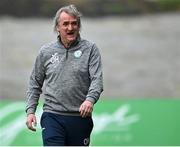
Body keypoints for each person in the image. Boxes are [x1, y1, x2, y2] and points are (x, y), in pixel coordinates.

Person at [25, 4, 103, 146]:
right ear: (57, 27)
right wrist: (31, 111)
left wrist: (90, 100)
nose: (70, 28)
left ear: (79, 26)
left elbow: (97, 80)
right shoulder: (46, 52)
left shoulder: (90, 49)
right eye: (65, 24)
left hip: (80, 117)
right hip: (52, 116)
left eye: (74, 23)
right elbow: (35, 83)